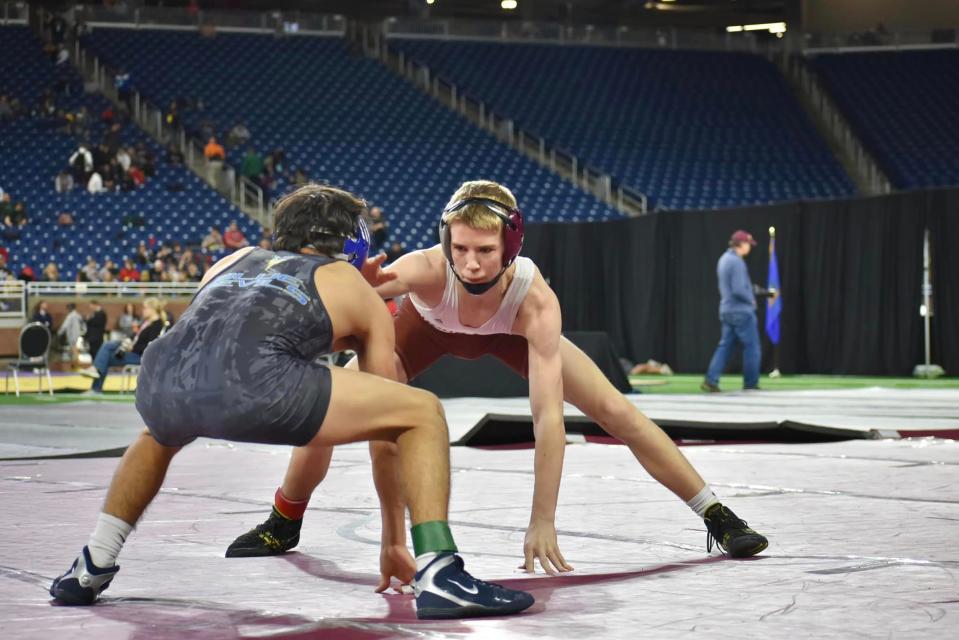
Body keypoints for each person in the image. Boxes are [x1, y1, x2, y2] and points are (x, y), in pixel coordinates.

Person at [226, 180, 768, 582]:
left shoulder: (535, 299)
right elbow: (345, 287)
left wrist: (543, 520)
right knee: (331, 411)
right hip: (422, 328)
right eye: (459, 248)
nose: (471, 262)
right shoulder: (426, 269)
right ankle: (284, 520)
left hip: (507, 331)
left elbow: (548, 419)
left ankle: (715, 514)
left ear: (511, 247)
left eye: (485, 251)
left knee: (617, 411)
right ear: (445, 240)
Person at [49, 184, 534, 620]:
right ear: (354, 244)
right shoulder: (352, 286)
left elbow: (213, 338)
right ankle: (440, 572)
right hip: (262, 387)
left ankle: (93, 561)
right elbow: (389, 429)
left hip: (163, 380)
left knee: (159, 435)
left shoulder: (231, 260)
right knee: (420, 412)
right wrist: (392, 541)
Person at [701, 230, 774, 393]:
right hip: (741, 311)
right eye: (749, 244)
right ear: (741, 244)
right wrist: (751, 299)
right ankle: (751, 383)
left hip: (727, 309)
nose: (750, 247)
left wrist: (756, 291)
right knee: (752, 347)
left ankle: (711, 379)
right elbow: (739, 289)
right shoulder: (737, 262)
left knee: (725, 346)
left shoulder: (724, 259)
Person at [79, 298, 167, 393]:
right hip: (135, 352)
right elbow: (137, 339)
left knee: (107, 346)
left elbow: (151, 346)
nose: (143, 310)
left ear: (152, 309)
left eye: (145, 308)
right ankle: (96, 385)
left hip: (141, 357)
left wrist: (132, 347)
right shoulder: (146, 323)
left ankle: (95, 377)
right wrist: (129, 343)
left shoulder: (157, 324)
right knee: (106, 355)